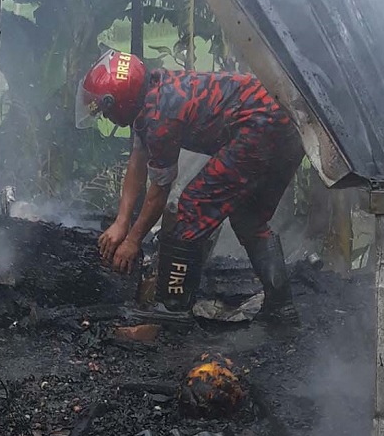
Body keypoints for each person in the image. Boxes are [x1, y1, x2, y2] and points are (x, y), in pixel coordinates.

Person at [76, 49, 304, 324]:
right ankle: (281, 308)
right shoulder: (152, 96)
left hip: (260, 127)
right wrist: (121, 223)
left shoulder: (160, 118)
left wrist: (133, 241)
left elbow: (159, 191)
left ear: (120, 102)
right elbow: (138, 159)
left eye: (105, 110)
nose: (105, 116)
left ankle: (172, 308)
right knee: (249, 217)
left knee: (192, 208)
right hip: (285, 124)